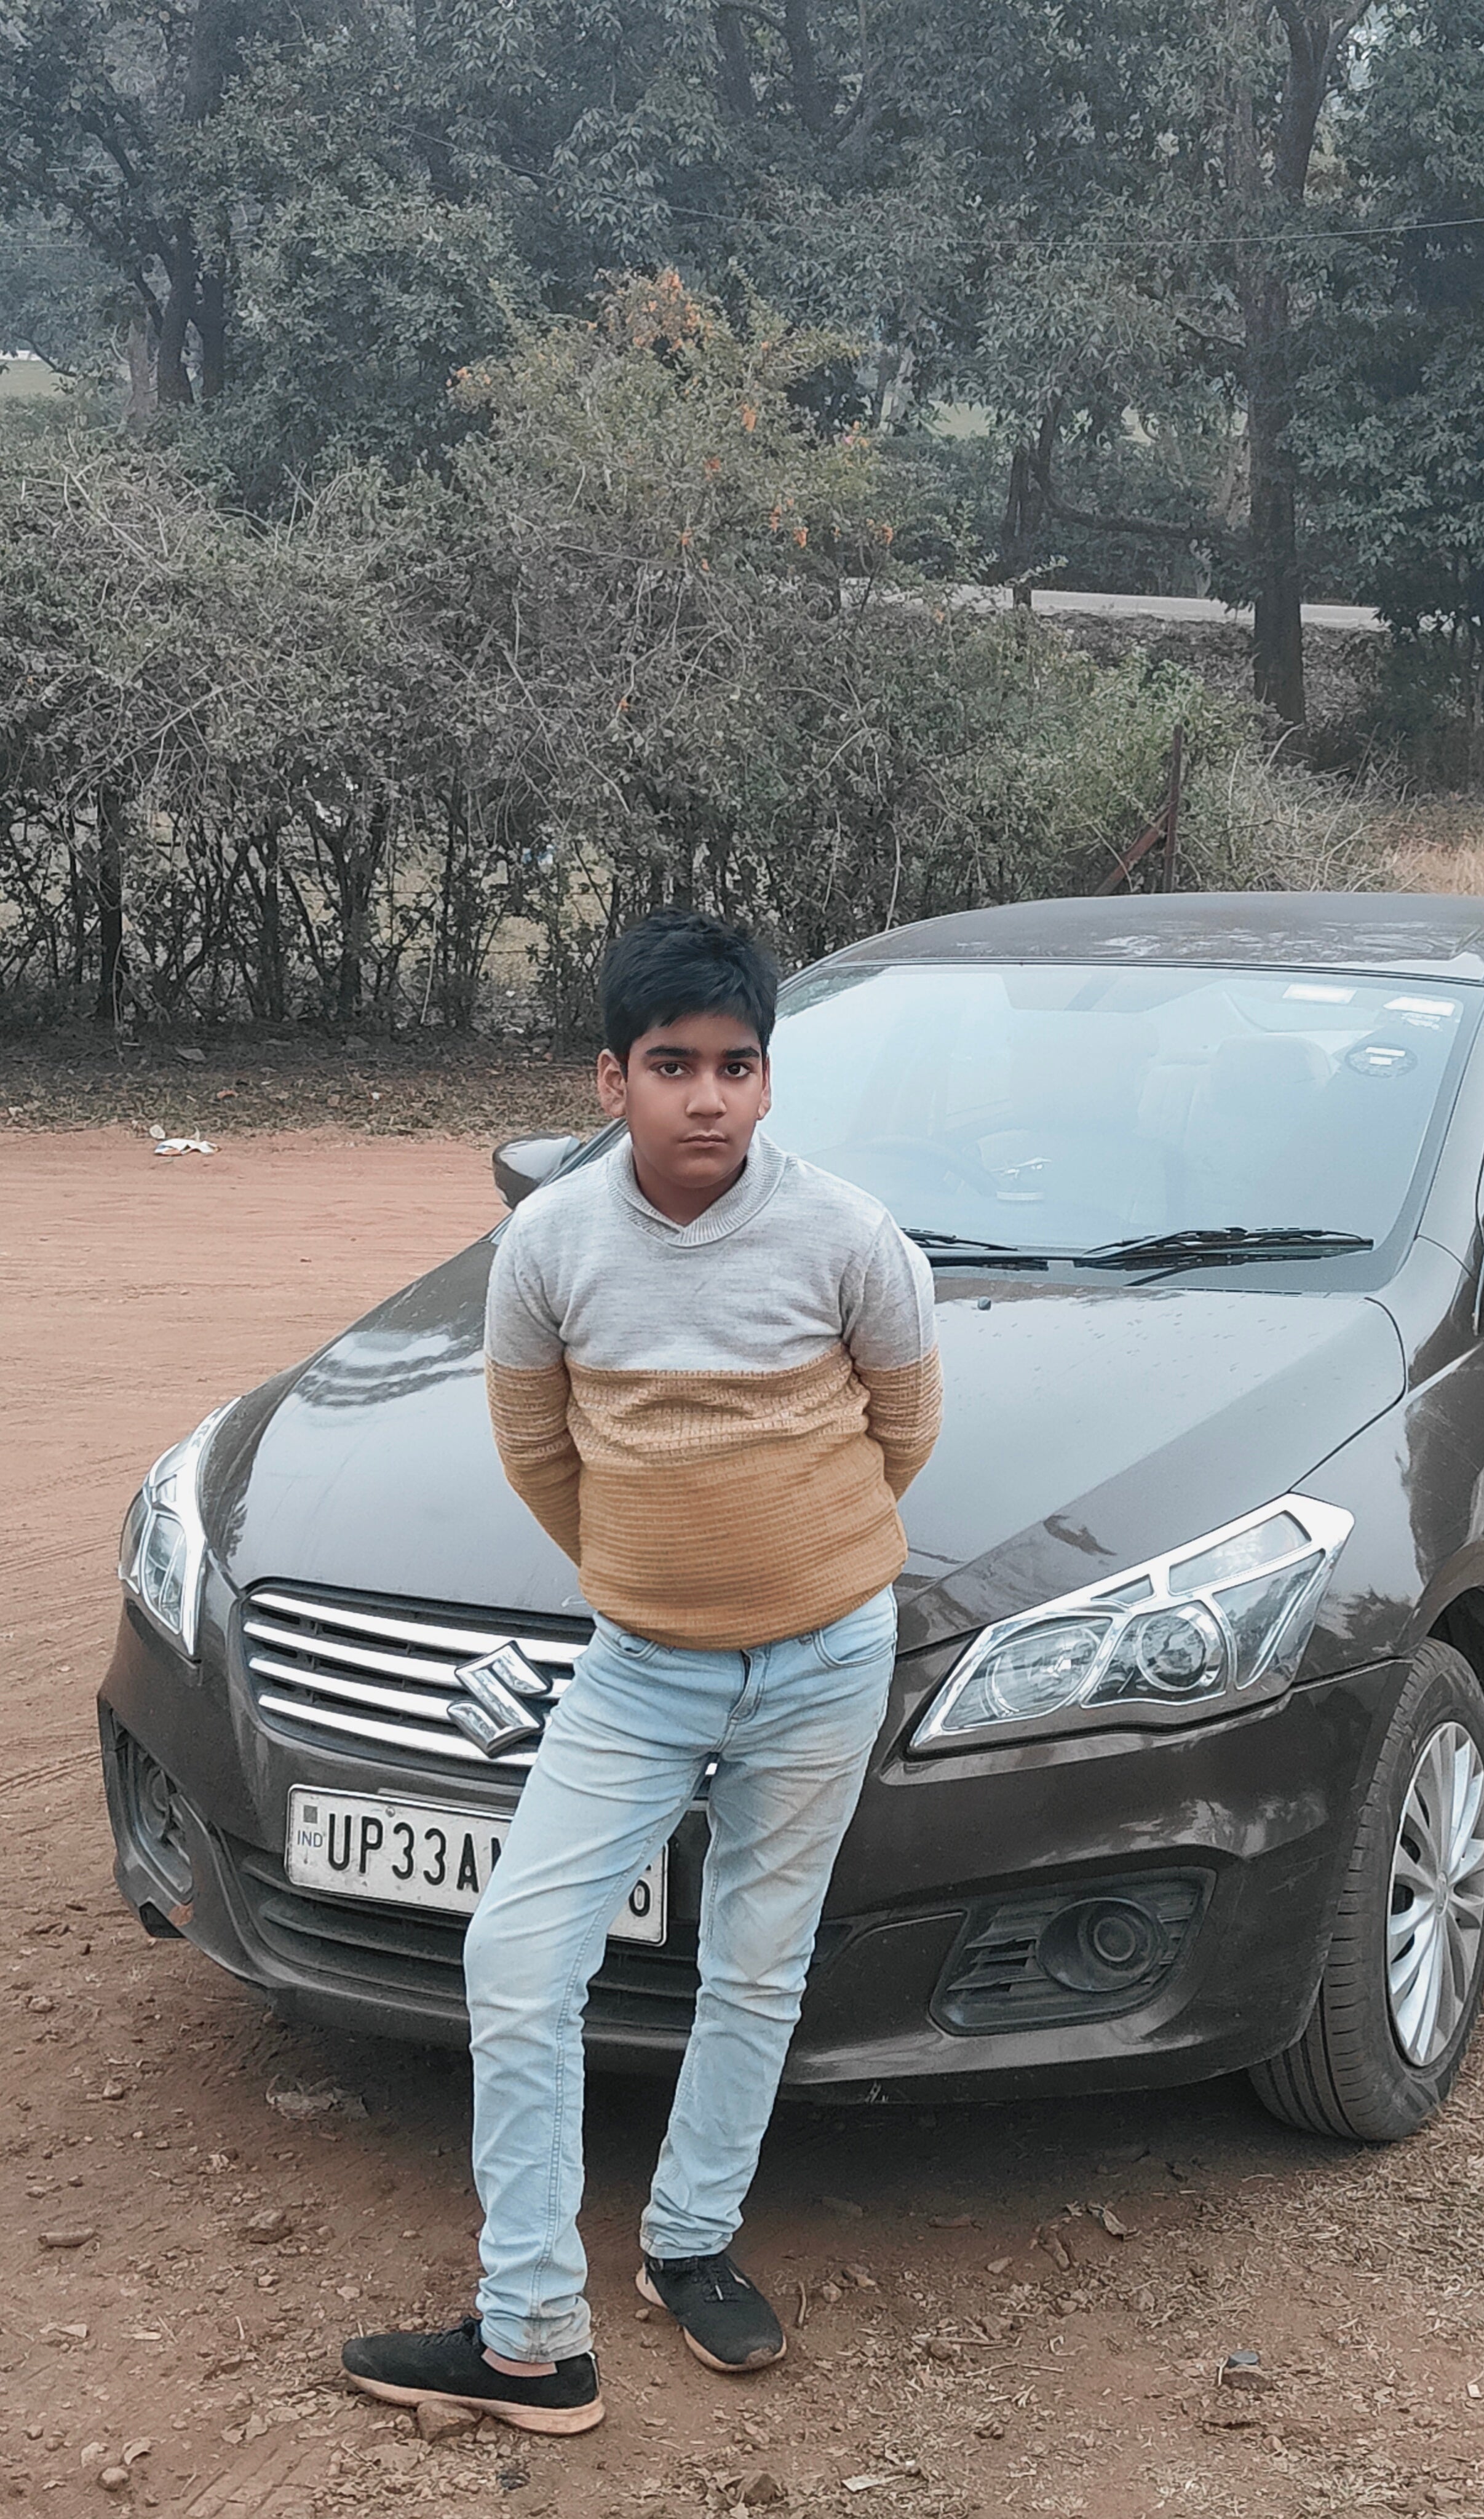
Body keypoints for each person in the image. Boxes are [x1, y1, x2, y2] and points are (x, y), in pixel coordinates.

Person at [341, 908, 942, 2434]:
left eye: (737, 1065)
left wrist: (787, 1570)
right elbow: (543, 1453)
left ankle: (688, 2240)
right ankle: (534, 2329)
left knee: (754, 1964)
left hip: (826, 1659)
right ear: (611, 1079)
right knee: (520, 1957)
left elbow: (902, 1429)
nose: (709, 1098)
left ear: (766, 1078)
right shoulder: (547, 1245)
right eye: (672, 1064)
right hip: (637, 1671)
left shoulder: (848, 1235)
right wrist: (662, 1573)